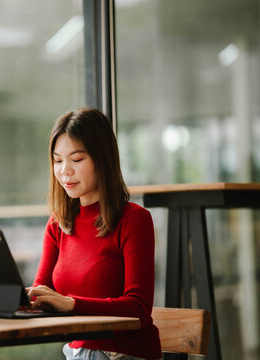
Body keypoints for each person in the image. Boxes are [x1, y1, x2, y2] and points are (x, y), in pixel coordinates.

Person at [27, 108, 162, 360]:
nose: (65, 170)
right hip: (77, 352)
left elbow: (139, 308)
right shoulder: (58, 225)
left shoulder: (134, 219)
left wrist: (71, 303)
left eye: (77, 159)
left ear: (102, 159)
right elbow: (40, 294)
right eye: (57, 161)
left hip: (122, 353)